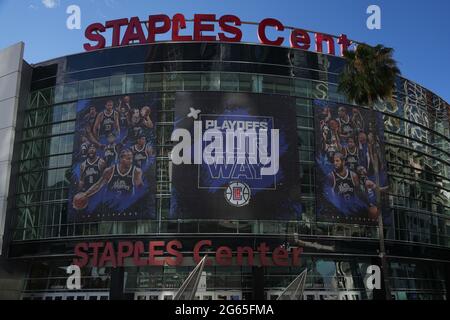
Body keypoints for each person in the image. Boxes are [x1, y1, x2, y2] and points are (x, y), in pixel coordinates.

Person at [73, 149, 144, 209]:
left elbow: (140, 188)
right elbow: (98, 185)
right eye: (128, 158)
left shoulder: (136, 171)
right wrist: (85, 194)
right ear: (121, 159)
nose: (131, 161)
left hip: (127, 205)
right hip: (110, 204)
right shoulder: (110, 171)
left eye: (131, 158)